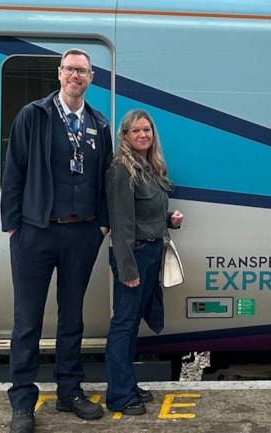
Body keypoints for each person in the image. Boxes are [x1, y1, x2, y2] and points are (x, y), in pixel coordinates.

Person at [0, 48, 113, 433]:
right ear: (60, 73)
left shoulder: (99, 123)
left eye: (82, 70)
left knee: (72, 317)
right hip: (36, 231)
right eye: (69, 69)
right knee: (27, 320)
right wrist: (13, 225)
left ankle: (69, 391)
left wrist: (102, 225)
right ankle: (22, 401)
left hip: (82, 232)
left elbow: (105, 179)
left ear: (91, 77)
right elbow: (13, 170)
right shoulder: (34, 115)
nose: (74, 76)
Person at [105, 109, 184, 415]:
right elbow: (121, 224)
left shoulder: (149, 168)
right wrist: (126, 268)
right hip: (134, 254)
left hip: (151, 252)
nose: (142, 135)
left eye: (147, 130)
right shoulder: (121, 170)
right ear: (124, 136)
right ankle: (119, 396)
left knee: (133, 322)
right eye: (135, 130)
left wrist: (170, 220)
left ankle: (128, 384)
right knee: (123, 324)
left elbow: (145, 214)